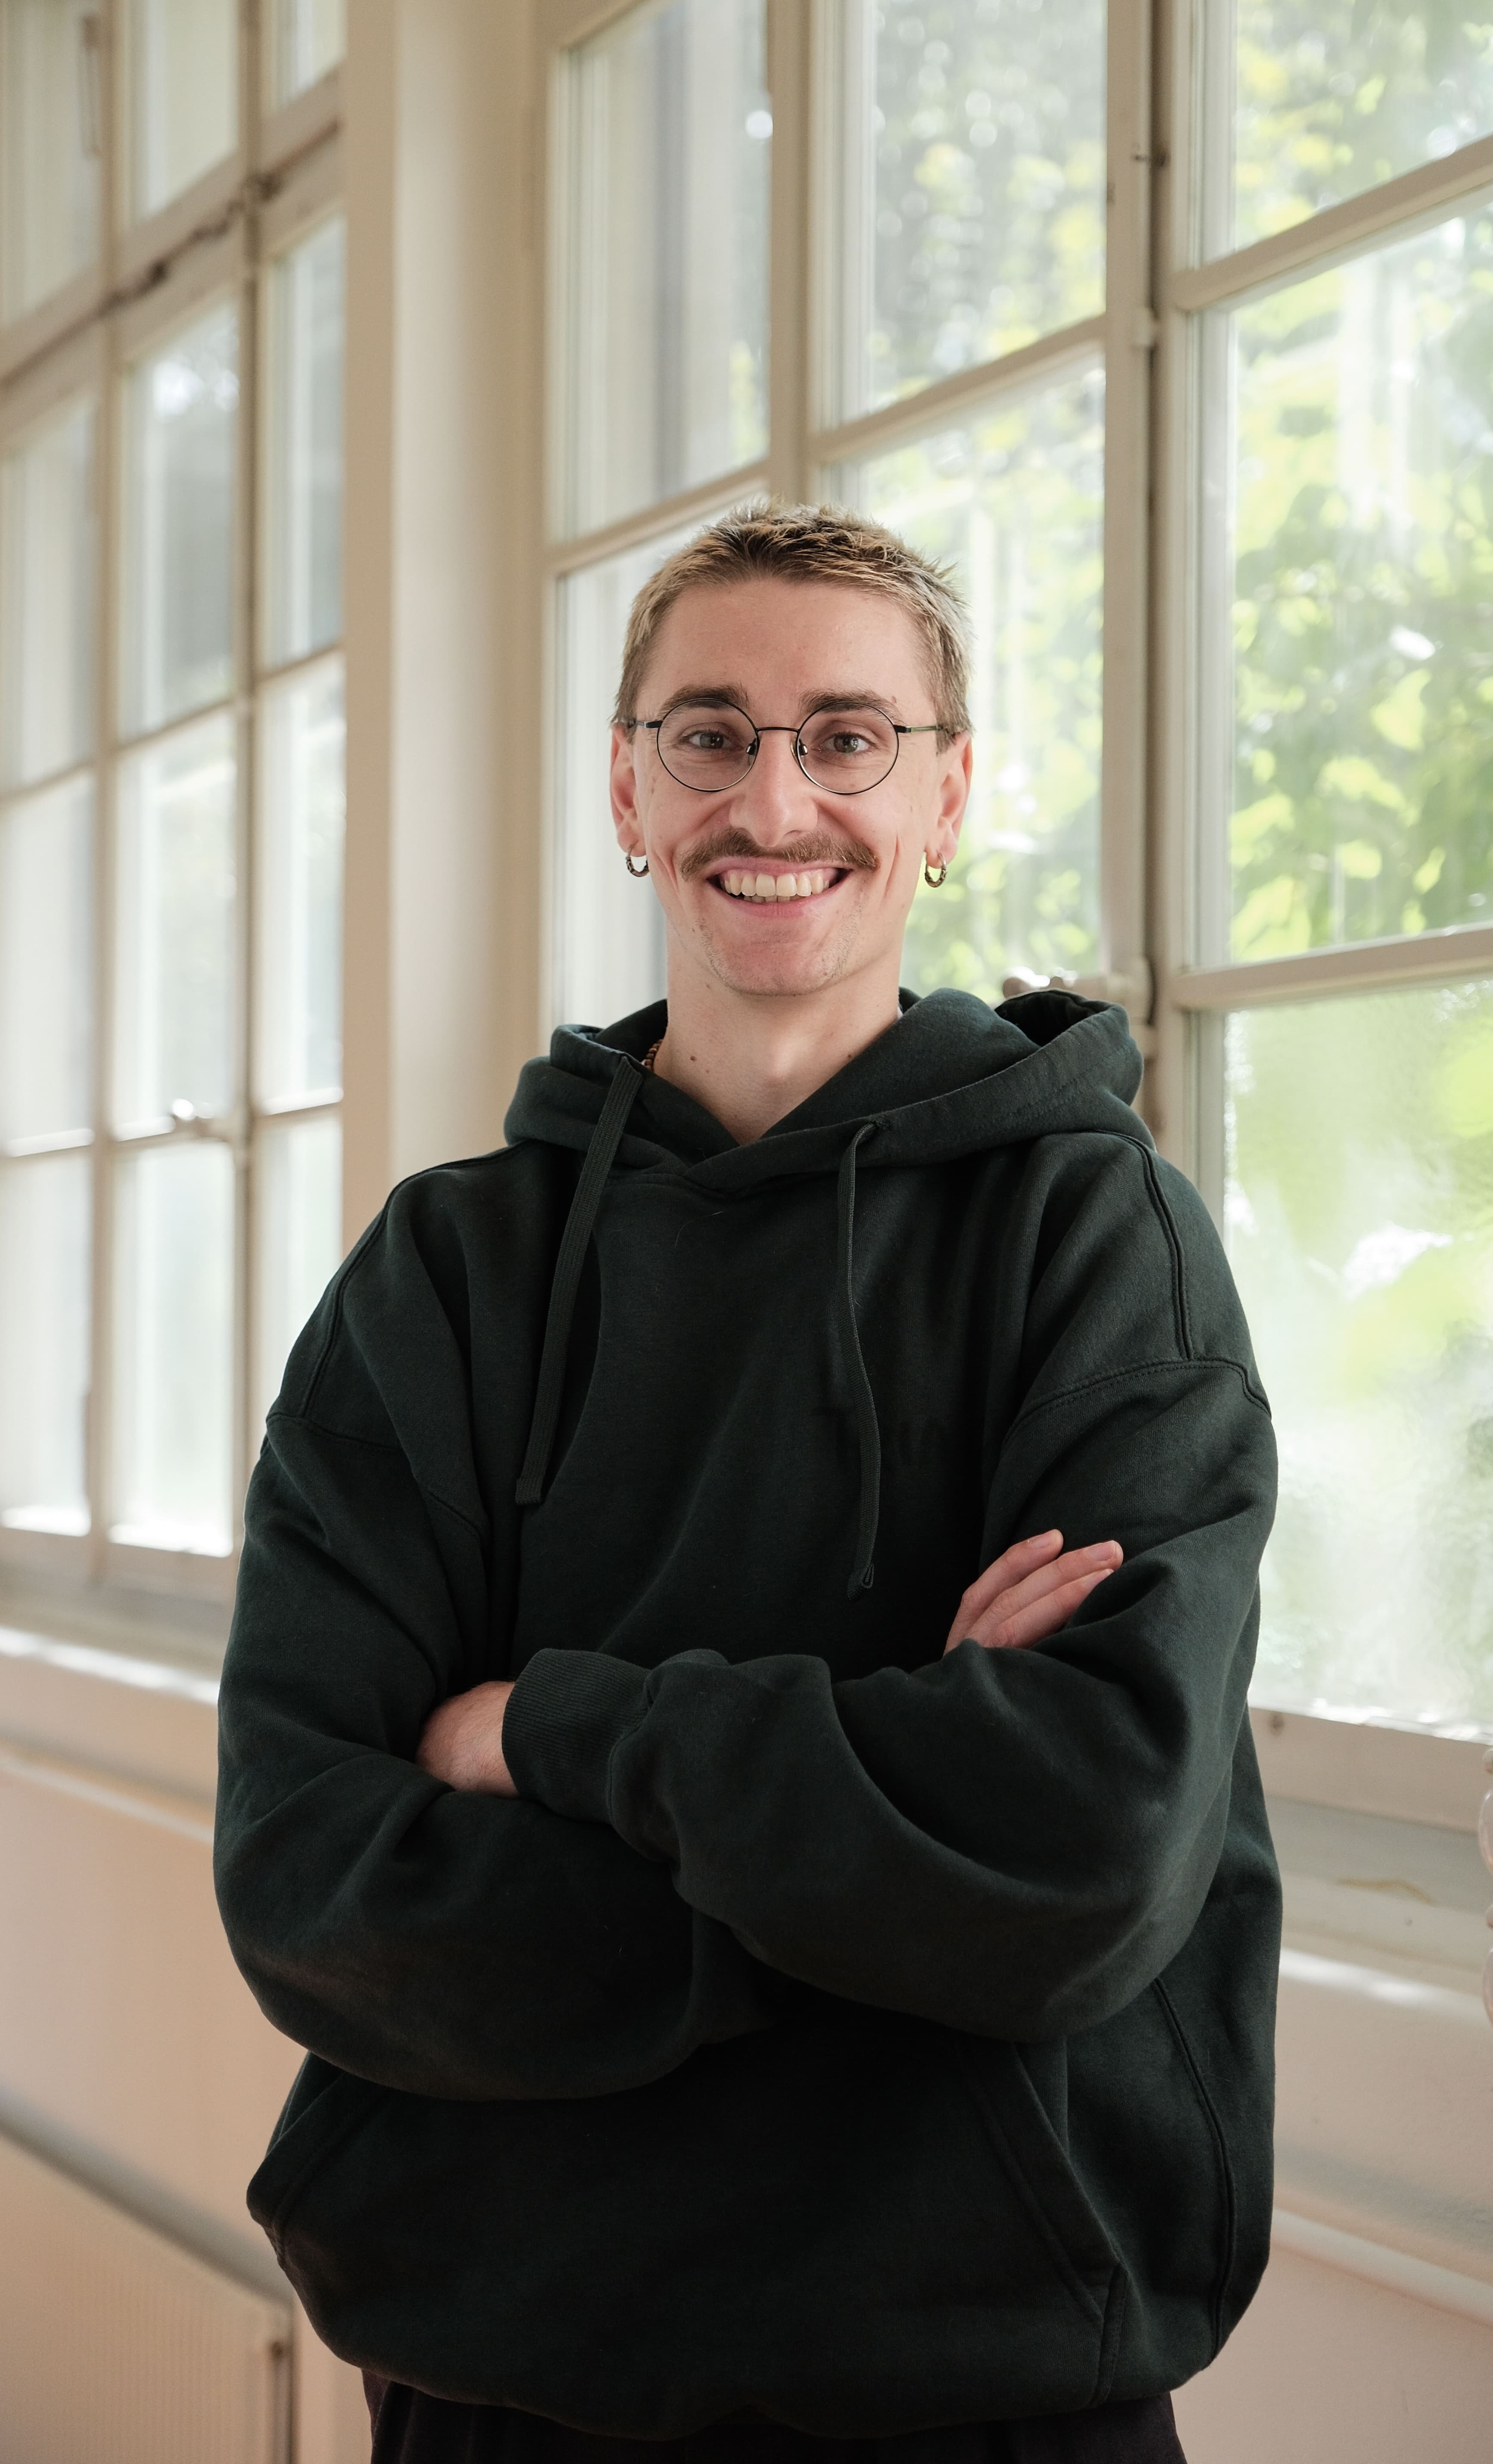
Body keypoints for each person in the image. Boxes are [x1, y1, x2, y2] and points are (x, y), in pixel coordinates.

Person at [215, 504, 1280, 2464]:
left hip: (986, 2399)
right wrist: (882, 1868)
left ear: (948, 793)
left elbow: (1080, 1860)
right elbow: (309, 1879)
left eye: (848, 736)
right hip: (500, 2391)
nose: (772, 794)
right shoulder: (442, 1277)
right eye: (708, 734)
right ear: (630, 788)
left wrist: (552, 1732)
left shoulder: (1095, 1239)